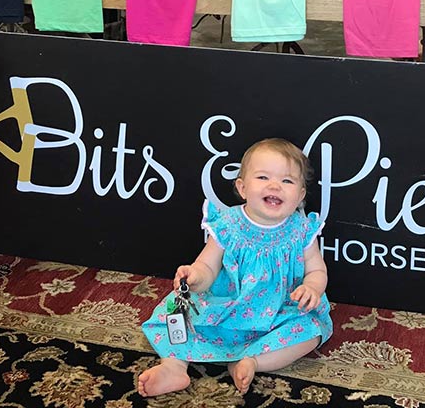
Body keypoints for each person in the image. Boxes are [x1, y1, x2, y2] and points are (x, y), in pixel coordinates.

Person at [138, 138, 333, 397]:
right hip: (226, 308)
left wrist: (311, 287)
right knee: (173, 311)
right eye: (263, 177)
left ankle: (252, 361)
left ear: (300, 195)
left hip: (278, 312)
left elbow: (317, 270)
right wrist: (196, 277)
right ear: (242, 187)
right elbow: (207, 265)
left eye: (287, 181)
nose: (275, 185)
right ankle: (174, 365)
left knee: (311, 330)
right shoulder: (228, 224)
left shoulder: (301, 230)